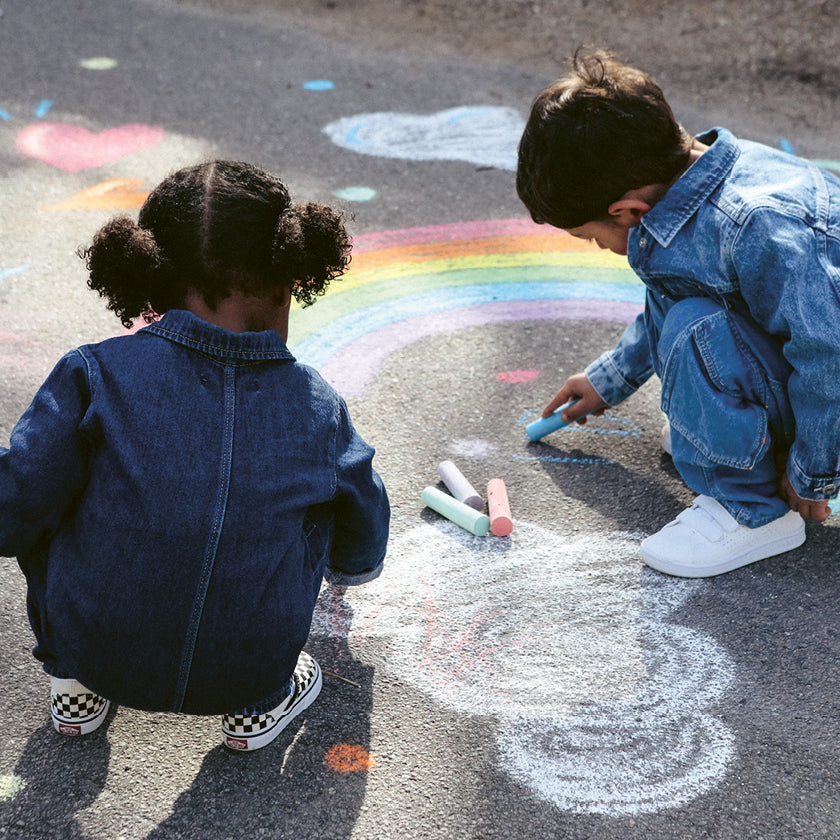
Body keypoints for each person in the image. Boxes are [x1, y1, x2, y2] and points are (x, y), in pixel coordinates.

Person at [0, 161, 390, 750]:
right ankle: (259, 708)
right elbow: (364, 516)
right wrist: (352, 569)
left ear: (149, 284)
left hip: (94, 648)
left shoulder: (94, 373)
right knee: (321, 503)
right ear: (288, 284)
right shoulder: (318, 405)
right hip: (247, 669)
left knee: (44, 486)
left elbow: (12, 511)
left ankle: (72, 684)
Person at [516, 49, 839, 578]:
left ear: (627, 210)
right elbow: (670, 291)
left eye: (589, 236)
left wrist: (813, 474)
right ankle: (730, 440)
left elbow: (828, 353)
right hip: (821, 386)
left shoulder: (753, 225)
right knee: (692, 311)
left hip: (833, 396)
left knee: (696, 329)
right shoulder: (692, 183)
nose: (597, 247)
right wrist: (611, 378)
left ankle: (751, 510)